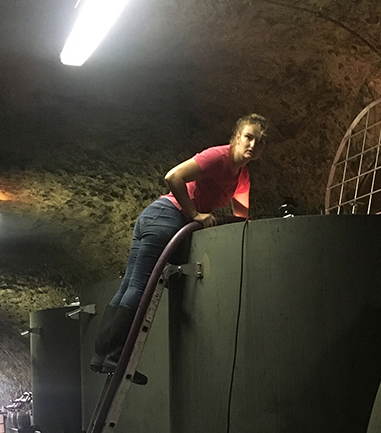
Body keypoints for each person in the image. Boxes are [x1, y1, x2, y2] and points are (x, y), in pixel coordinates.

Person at [91, 113, 269, 376]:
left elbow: (241, 216)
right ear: (236, 138)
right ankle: (115, 355)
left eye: (260, 142)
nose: (253, 145)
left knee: (129, 285)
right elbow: (173, 176)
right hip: (165, 216)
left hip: (156, 218)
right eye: (248, 137)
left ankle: (102, 354)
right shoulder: (217, 157)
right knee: (139, 287)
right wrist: (195, 214)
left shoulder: (242, 176)